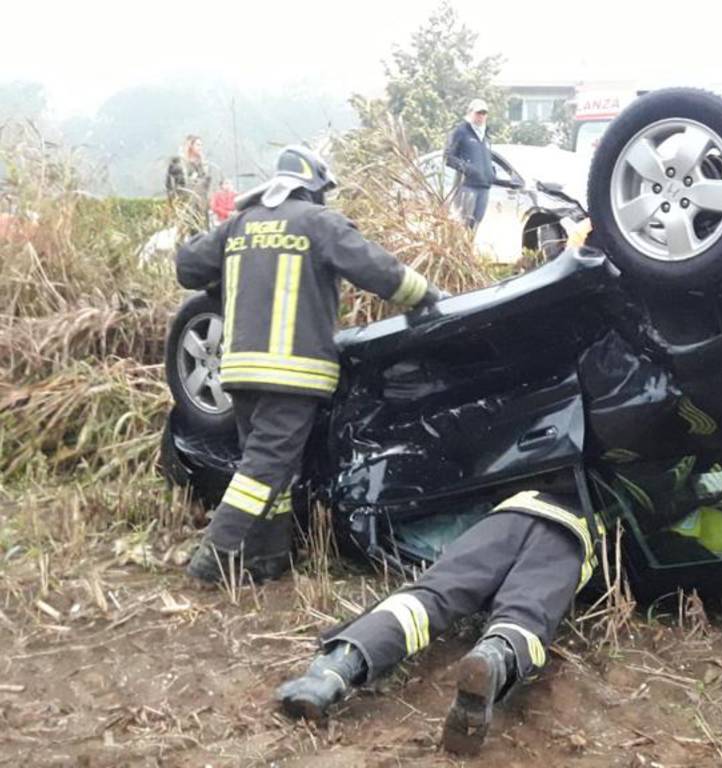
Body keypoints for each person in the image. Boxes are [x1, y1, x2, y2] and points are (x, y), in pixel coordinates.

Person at [175, 145, 443, 585]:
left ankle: (268, 557)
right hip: (293, 375)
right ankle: (213, 558)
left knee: (272, 469)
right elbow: (379, 270)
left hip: (238, 373)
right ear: (314, 187)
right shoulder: (320, 224)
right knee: (263, 467)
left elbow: (187, 267)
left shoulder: (239, 224)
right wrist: (427, 295)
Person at [275, 488, 602, 756]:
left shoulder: (527, 487)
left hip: (508, 515)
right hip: (572, 534)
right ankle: (493, 657)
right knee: (525, 614)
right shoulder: (606, 500)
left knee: (429, 596)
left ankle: (332, 670)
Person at [444, 98, 495, 231]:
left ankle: (468, 251)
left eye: (484, 113)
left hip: (484, 188)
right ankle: (458, 251)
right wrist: (467, 169)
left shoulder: (486, 136)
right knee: (463, 225)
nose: (481, 116)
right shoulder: (461, 131)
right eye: (478, 113)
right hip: (467, 186)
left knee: (475, 226)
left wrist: (491, 173)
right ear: (470, 113)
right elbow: (448, 157)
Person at [166, 135, 212, 233]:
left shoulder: (203, 164)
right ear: (190, 146)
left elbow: (207, 182)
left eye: (201, 145)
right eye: (198, 145)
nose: (200, 148)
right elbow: (171, 183)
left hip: (200, 203)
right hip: (185, 203)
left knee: (202, 230)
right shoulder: (178, 163)